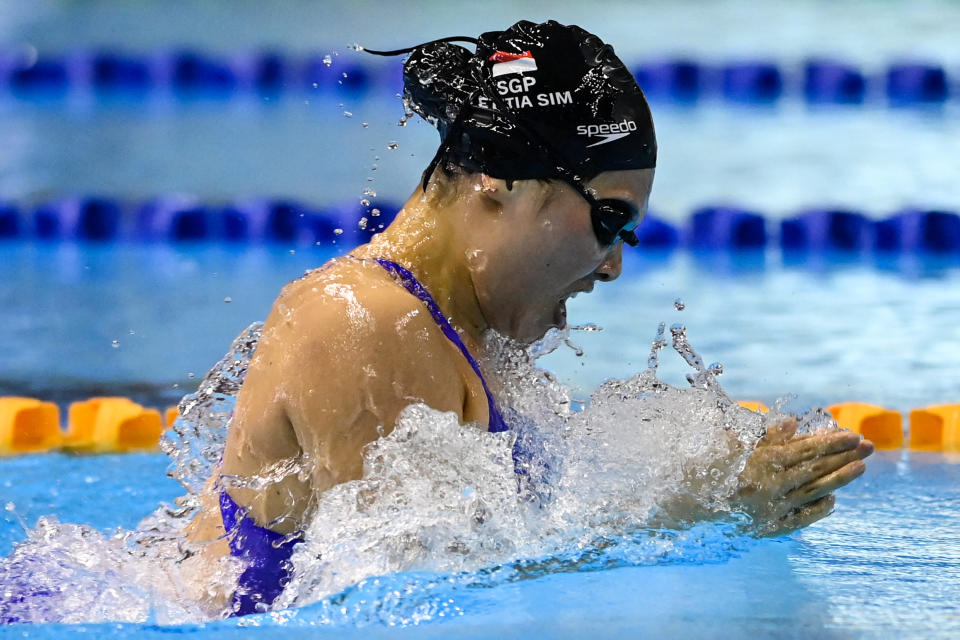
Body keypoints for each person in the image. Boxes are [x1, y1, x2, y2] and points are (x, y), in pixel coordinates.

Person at [185, 20, 874, 616]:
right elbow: (400, 599)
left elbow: (505, 545)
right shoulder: (362, 322)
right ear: (501, 181)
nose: (611, 266)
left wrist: (712, 481)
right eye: (609, 220)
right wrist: (689, 514)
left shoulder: (471, 334)